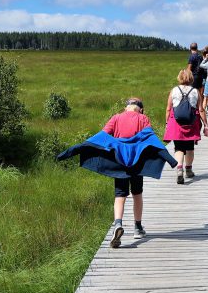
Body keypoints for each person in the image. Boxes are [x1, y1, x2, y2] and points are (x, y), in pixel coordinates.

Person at [56, 98, 177, 248]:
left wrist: (78, 148)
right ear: (140, 109)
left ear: (126, 108)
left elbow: (102, 136)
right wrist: (168, 158)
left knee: (120, 195)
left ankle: (118, 224)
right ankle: (138, 228)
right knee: (137, 193)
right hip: (137, 163)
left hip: (119, 162)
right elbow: (150, 139)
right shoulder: (143, 118)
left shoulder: (116, 117)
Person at [163, 68, 208, 184]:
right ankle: (188, 169)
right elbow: (201, 110)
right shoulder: (195, 91)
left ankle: (179, 168)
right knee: (189, 147)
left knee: (178, 147)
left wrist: (167, 123)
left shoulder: (174, 90)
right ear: (191, 78)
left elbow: (168, 109)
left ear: (179, 78)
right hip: (191, 122)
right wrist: (206, 125)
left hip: (176, 123)